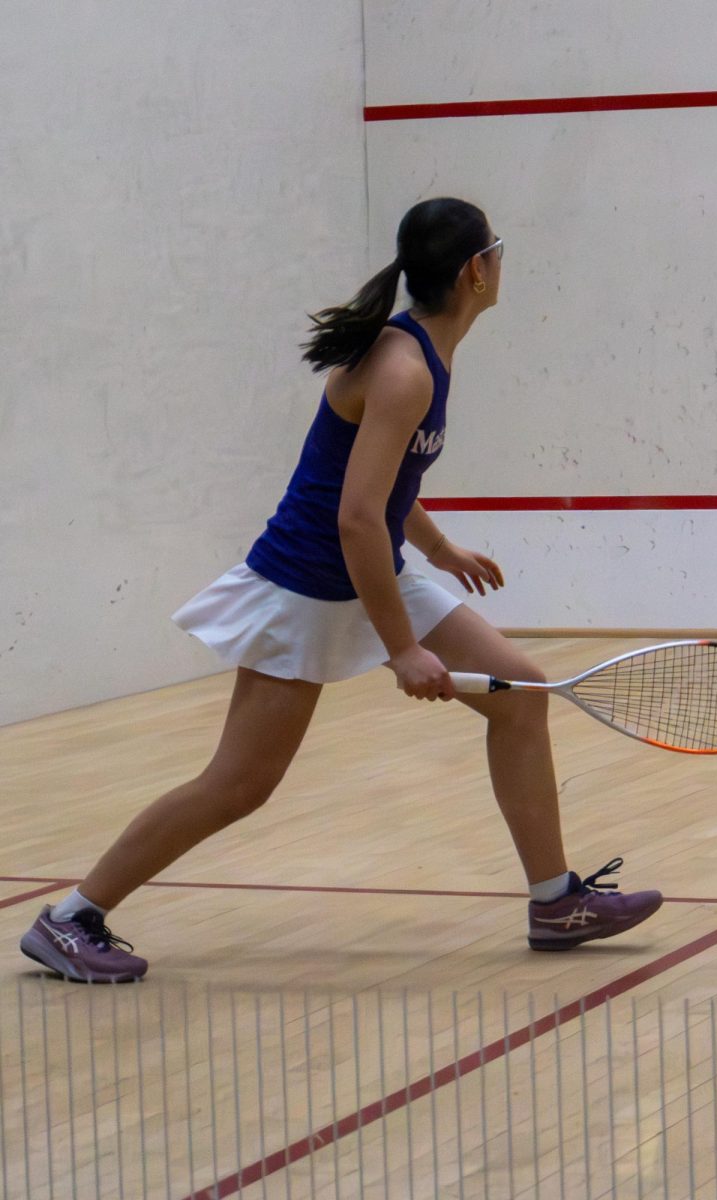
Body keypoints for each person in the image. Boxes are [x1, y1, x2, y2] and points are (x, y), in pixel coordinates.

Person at [20, 197, 663, 983]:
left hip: (372, 567)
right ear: (476, 271)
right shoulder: (403, 368)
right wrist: (404, 651)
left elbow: (385, 487)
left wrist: (437, 545)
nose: (501, 262)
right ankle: (70, 917)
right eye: (497, 250)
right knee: (240, 784)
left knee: (521, 690)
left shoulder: (423, 350)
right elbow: (356, 517)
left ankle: (556, 901)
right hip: (309, 585)